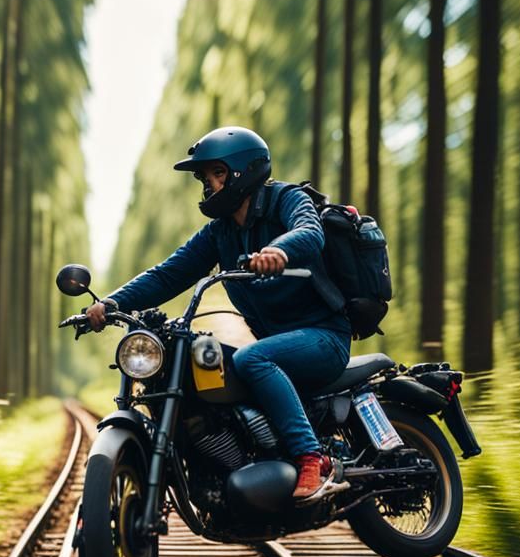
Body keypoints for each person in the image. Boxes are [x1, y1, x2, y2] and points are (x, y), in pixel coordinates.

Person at [86, 125, 351, 503]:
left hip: (324, 337)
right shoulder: (220, 232)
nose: (209, 184)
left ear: (245, 170)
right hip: (277, 343)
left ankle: (313, 458)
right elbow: (168, 274)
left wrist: (280, 251)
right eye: (204, 177)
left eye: (217, 173)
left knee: (251, 358)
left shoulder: (286, 199)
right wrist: (111, 304)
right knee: (204, 364)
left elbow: (310, 231)